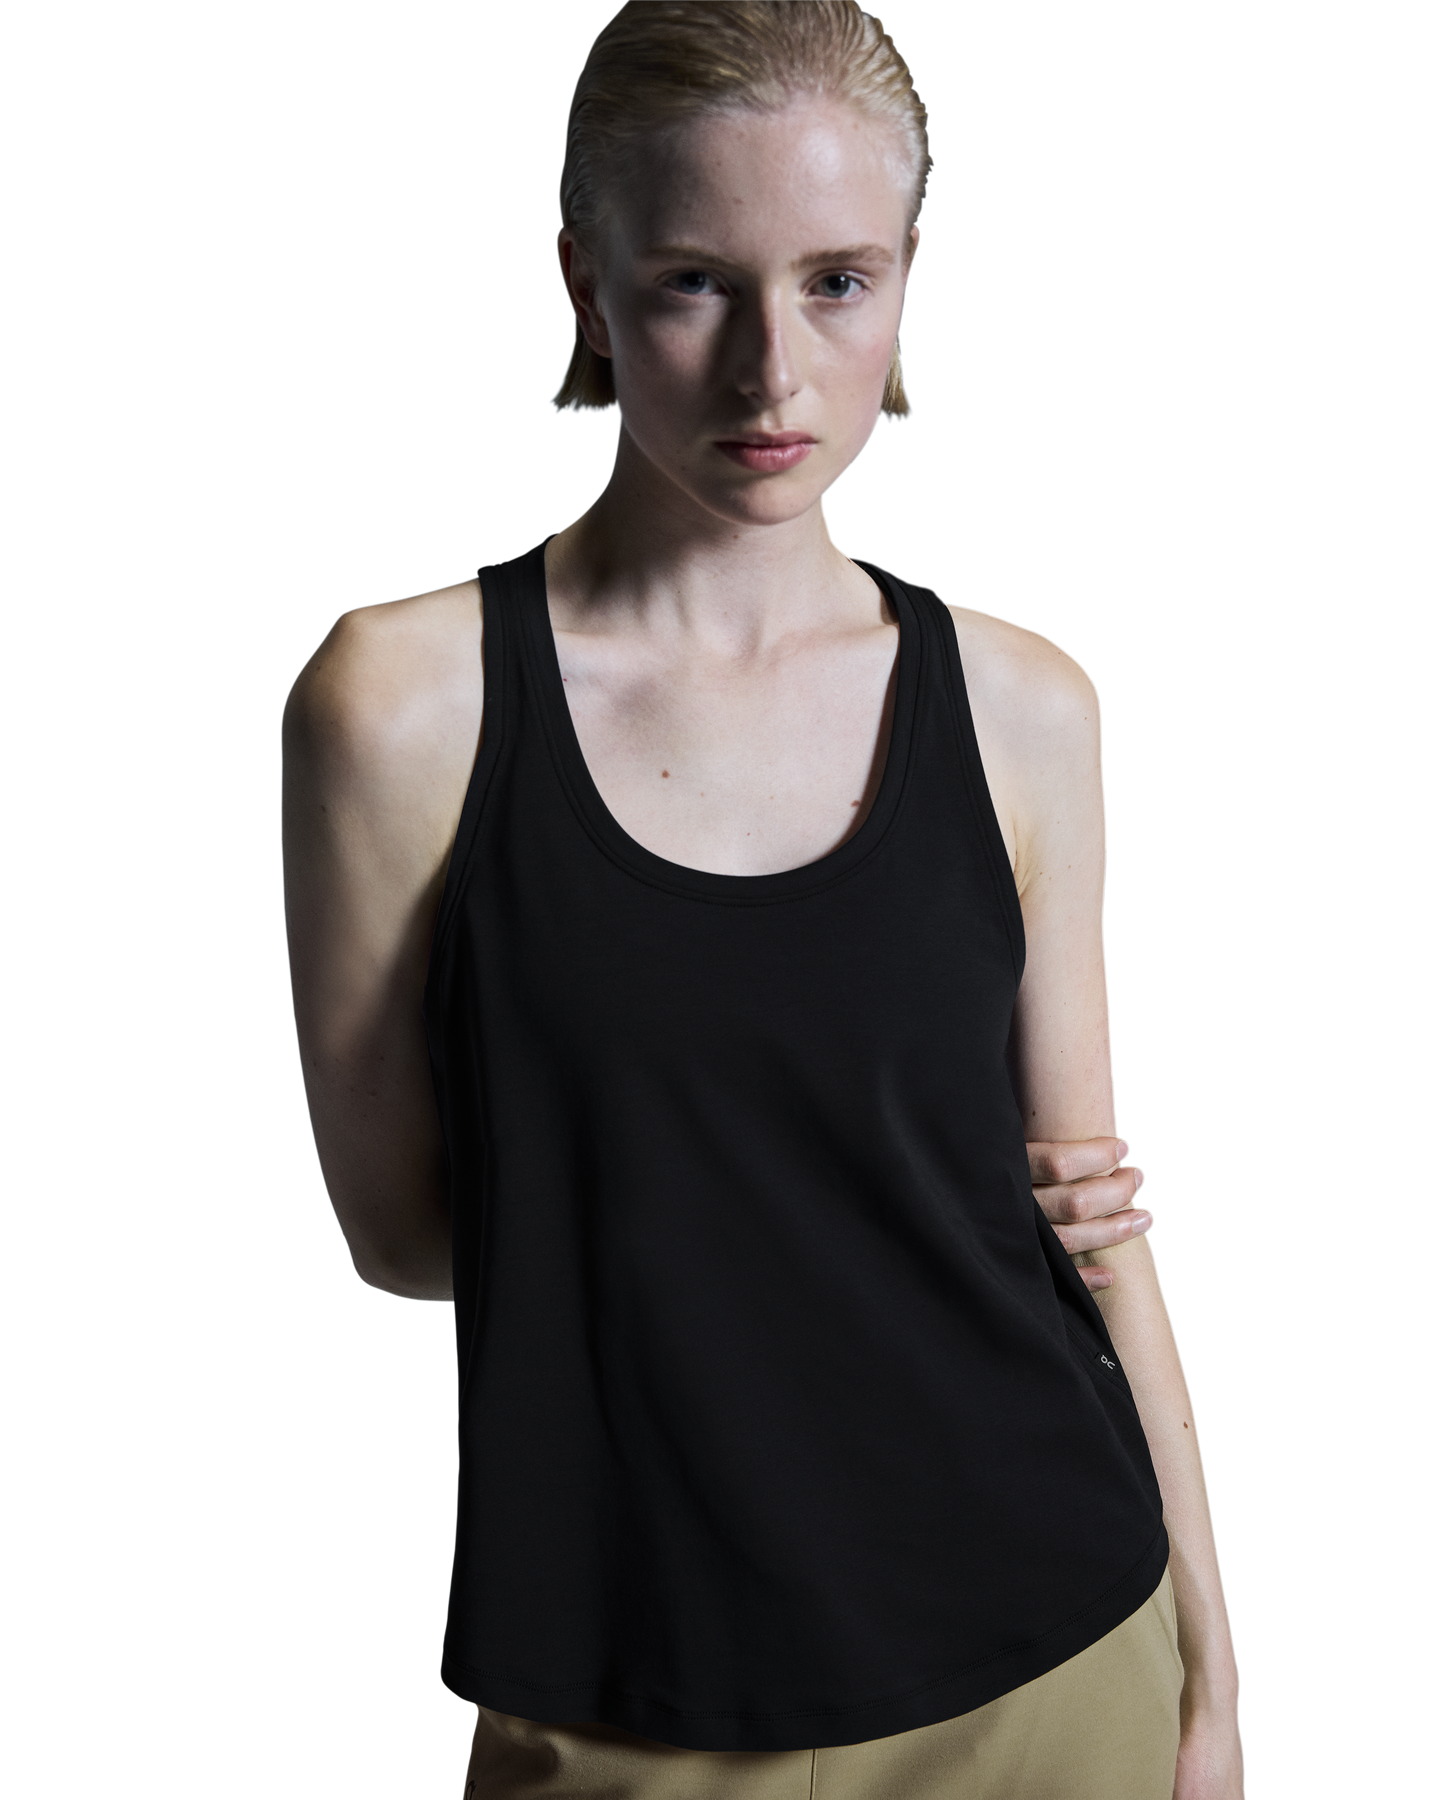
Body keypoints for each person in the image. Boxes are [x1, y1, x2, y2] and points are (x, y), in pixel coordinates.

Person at [279, 3, 1245, 1794]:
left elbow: (1092, 1220)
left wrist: (1215, 1684)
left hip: (1057, 1660)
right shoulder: (398, 704)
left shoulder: (1026, 701)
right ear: (584, 284)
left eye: (838, 283)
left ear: (908, 280)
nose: (774, 374)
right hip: (627, 1692)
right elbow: (401, 1239)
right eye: (695, 286)